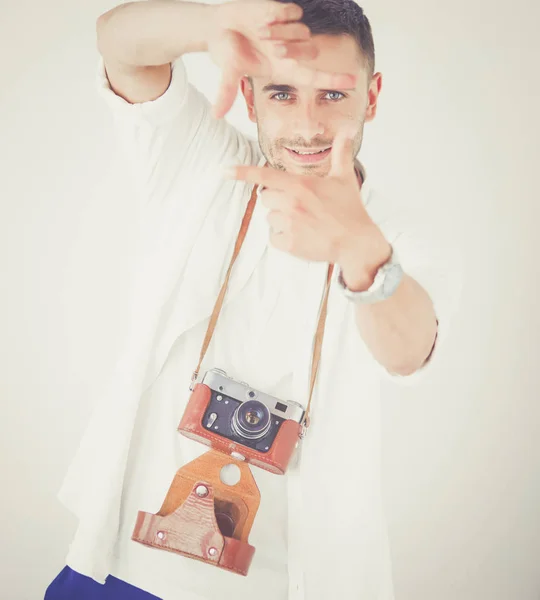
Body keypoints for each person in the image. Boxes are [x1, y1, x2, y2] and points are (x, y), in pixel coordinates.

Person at [45, 1, 460, 599]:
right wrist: (208, 29)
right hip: (118, 565)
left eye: (334, 96)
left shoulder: (403, 236)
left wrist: (358, 246)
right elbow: (116, 44)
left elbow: (410, 352)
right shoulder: (203, 163)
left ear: (371, 96)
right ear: (249, 95)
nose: (309, 126)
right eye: (283, 93)